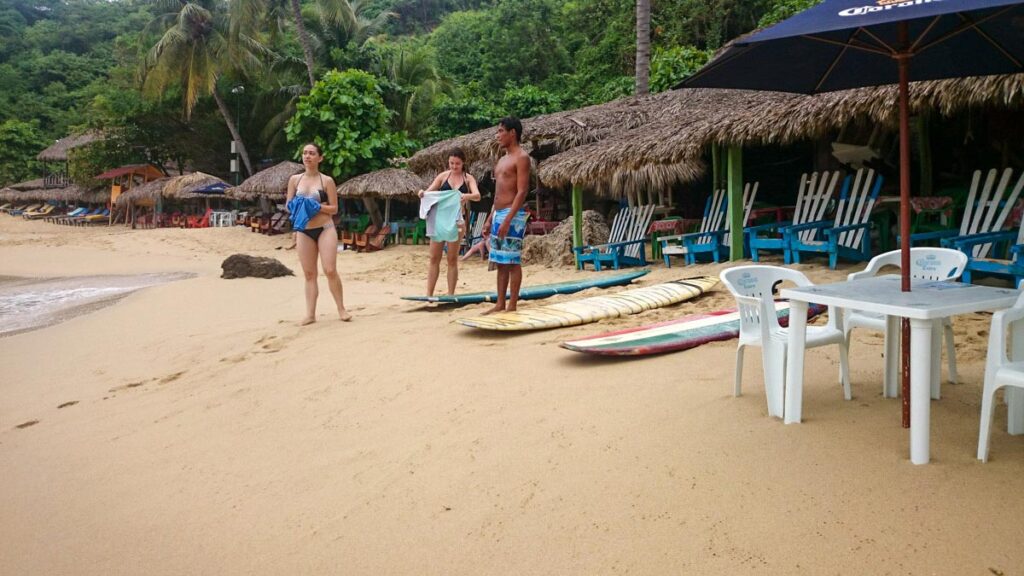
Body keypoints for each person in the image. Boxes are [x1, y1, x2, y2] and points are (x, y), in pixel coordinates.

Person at [286, 143, 352, 325]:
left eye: (312, 153)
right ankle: (310, 314)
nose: (307, 156)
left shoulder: (327, 181)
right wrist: (296, 206)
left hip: (325, 228)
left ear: (320, 158)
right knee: (309, 273)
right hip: (304, 230)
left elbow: (334, 208)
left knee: (330, 270)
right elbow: (288, 204)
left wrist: (316, 206)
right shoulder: (294, 180)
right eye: (305, 153)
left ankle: (341, 308)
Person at [417, 148, 482, 296]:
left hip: (457, 222)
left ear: (463, 163)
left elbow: (477, 195)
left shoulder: (468, 178)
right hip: (439, 220)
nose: (454, 166)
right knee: (434, 257)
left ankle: (451, 293)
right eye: (451, 163)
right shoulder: (443, 176)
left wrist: (466, 196)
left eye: (457, 164)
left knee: (452, 259)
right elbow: (428, 193)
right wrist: (421, 193)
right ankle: (429, 294)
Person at [484, 117, 531, 314]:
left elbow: (522, 191)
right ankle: (500, 303)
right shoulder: (502, 159)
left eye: (501, 131)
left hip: (513, 214)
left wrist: (508, 219)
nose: (498, 135)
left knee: (512, 260)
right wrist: (489, 218)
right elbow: (497, 192)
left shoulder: (522, 157)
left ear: (513, 133)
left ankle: (512, 305)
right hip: (498, 213)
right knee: (499, 260)